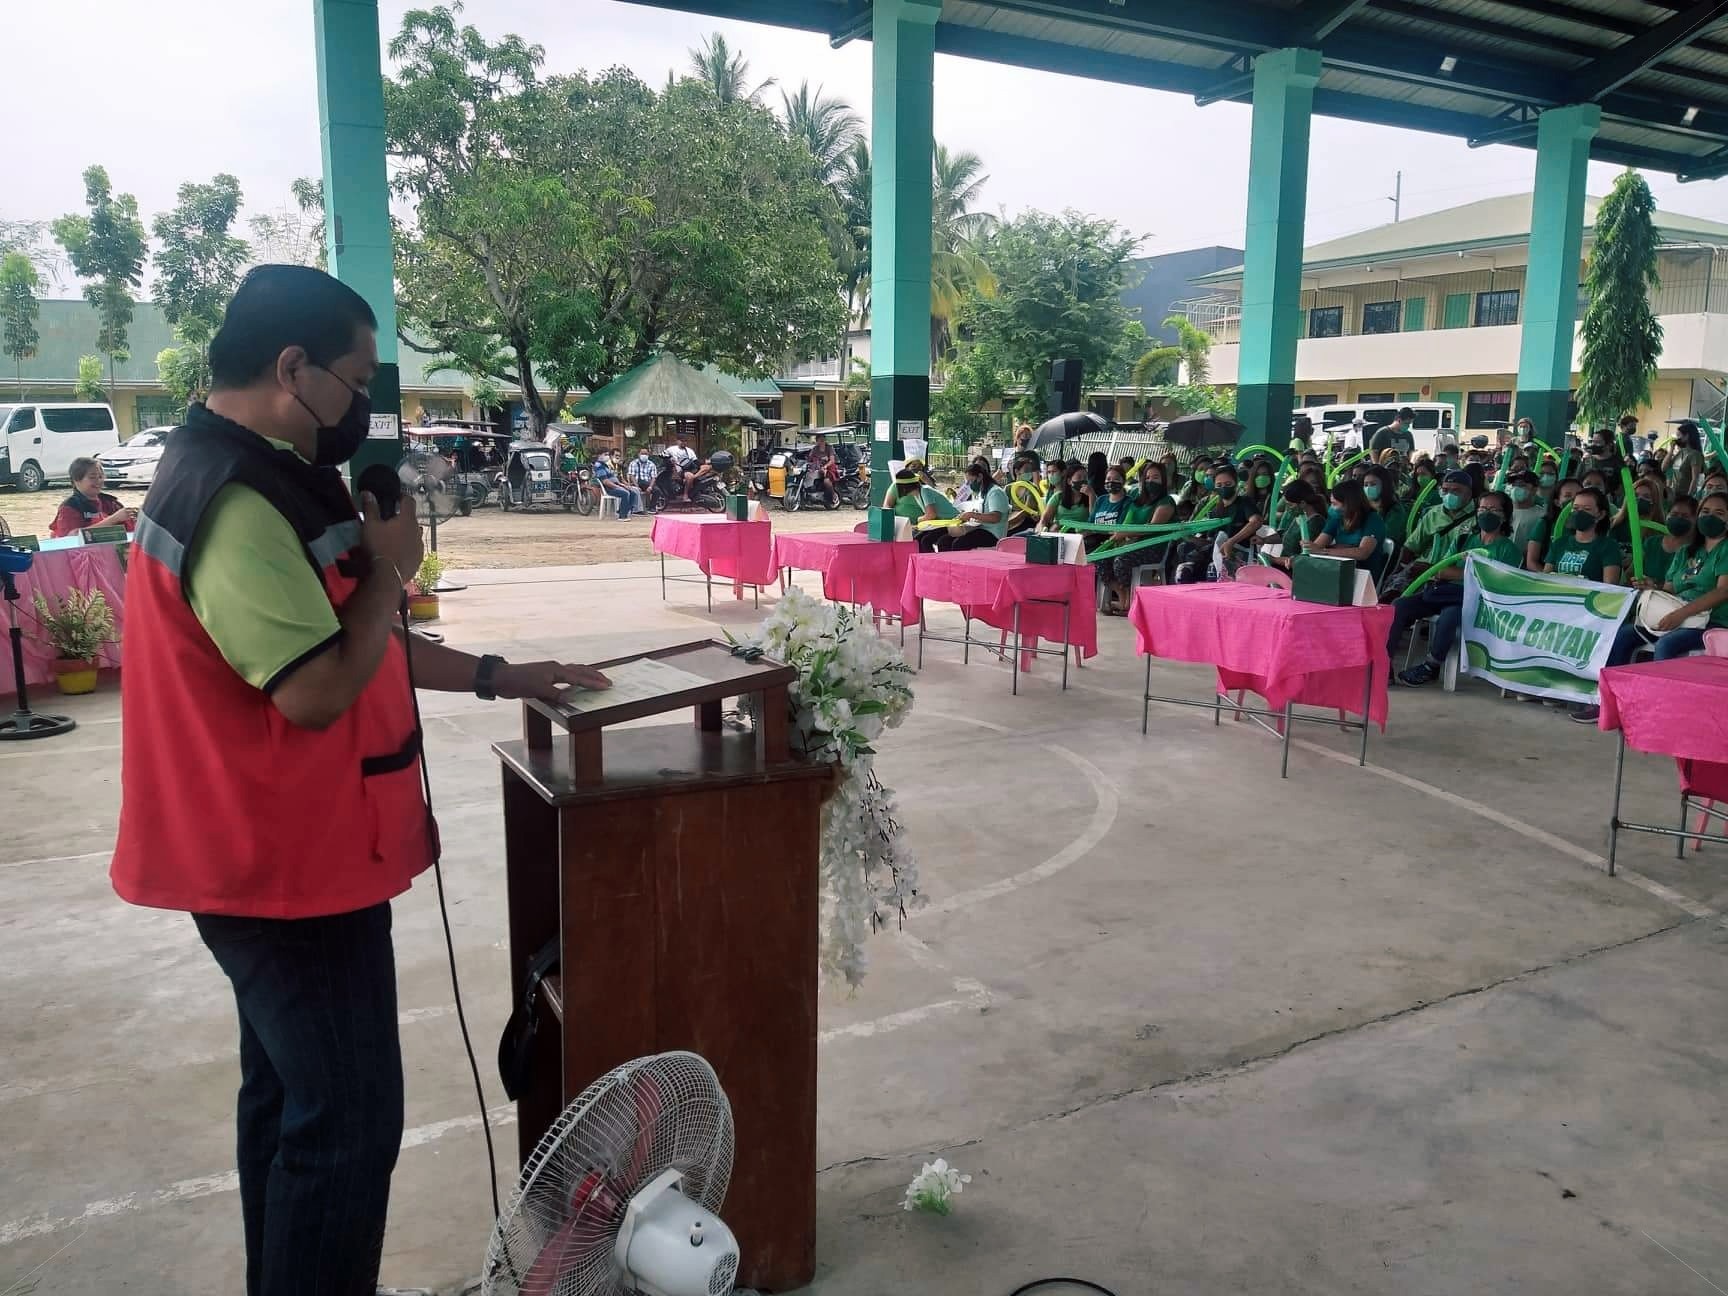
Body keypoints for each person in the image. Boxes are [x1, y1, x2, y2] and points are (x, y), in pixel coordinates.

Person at [108, 265, 611, 1296]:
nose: (363, 406)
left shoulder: (278, 471)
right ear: (291, 367)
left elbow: (353, 636)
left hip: (298, 853)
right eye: (356, 379)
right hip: (282, 871)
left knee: (289, 1108)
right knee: (347, 1125)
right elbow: (316, 688)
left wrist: (498, 674)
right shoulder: (232, 499)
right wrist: (392, 567)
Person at [1572, 491, 1728, 722]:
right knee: (1624, 634)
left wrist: (1681, 614)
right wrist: (1651, 586)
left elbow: (1723, 591)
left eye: (1719, 513)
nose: (1709, 516)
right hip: (1676, 614)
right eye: (1705, 511)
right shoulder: (1686, 551)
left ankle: (1659, 712)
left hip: (1711, 622)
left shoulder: (1725, 550)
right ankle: (1609, 705)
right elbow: (1670, 589)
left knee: (1667, 644)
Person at [1392, 489, 1522, 686]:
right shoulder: (1464, 540)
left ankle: (1431, 666)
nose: (1486, 513)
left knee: (1450, 616)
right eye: (1483, 508)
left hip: (1476, 601)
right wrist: (1474, 573)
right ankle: (1384, 663)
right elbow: (1441, 570)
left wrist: (1463, 573)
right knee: (1399, 606)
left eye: (1494, 510)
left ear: (1505, 516)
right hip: (1444, 592)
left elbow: (1497, 583)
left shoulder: (1508, 550)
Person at [1101, 462, 1176, 613]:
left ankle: (1130, 601)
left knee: (1121, 561)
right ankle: (1123, 598)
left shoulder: (1166, 502)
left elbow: (1152, 528)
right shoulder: (1137, 501)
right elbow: (1127, 523)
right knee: (1101, 560)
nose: (1150, 481)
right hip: (1131, 544)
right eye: (1147, 477)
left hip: (1152, 547)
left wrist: (1126, 534)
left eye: (1155, 477)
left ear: (1163, 480)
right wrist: (1120, 536)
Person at [1543, 486, 1622, 584]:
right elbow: (1545, 579)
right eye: (1575, 508)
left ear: (1600, 515)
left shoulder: (1609, 547)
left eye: (1587, 509)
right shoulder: (1559, 543)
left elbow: (1609, 587)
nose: (1579, 513)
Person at [1305, 478, 1386, 568]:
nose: (1331, 508)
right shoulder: (1337, 518)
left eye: (1334, 504)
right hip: (1337, 568)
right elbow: (1317, 546)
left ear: (1349, 503)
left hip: (1363, 573)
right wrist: (1308, 548)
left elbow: (1363, 553)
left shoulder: (1373, 520)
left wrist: (1325, 551)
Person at [50, 456, 138, 537]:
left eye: (100, 476)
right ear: (76, 480)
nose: (98, 481)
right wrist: (113, 519)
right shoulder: (70, 507)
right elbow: (72, 537)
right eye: (92, 477)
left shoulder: (110, 502)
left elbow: (132, 530)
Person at [933, 460, 1008, 552]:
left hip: (992, 533)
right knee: (944, 541)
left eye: (971, 481)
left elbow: (995, 517)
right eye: (967, 482)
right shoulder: (980, 492)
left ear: (980, 477)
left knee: (959, 544)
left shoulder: (995, 492)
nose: (969, 485)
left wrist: (971, 515)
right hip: (979, 528)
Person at [1267, 480, 1328, 572]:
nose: (1287, 509)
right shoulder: (1299, 517)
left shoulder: (1315, 523)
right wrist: (1264, 540)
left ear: (1302, 503)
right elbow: (1286, 535)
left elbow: (1303, 557)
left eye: (1290, 505)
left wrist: (1273, 559)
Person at [1524, 477, 1581, 571]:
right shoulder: (1545, 524)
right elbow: (1531, 562)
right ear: (1557, 502)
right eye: (1568, 496)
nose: (1573, 500)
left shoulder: (1590, 525)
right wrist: (1549, 579)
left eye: (1578, 495)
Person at [1040, 464, 1094, 536]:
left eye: (1085, 477)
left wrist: (1091, 495)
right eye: (1079, 477)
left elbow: (1093, 520)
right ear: (1069, 481)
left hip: (1081, 535)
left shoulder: (1091, 496)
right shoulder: (1058, 497)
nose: (1083, 480)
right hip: (1059, 533)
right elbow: (1044, 519)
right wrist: (1043, 530)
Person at [591, 450, 638, 519]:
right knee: (625, 493)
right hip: (609, 488)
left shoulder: (605, 465)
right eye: (605, 454)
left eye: (607, 454)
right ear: (599, 455)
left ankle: (621, 511)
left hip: (614, 485)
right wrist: (617, 487)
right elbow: (605, 481)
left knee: (633, 493)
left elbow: (614, 478)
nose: (607, 456)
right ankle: (622, 516)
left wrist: (622, 485)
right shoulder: (599, 466)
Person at [1668, 422, 1705, 500]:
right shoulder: (1680, 452)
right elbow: (1664, 467)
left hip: (1684, 496)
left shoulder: (1695, 455)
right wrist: (1671, 449)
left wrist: (1688, 498)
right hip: (1674, 495)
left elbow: (1695, 479)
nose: (1677, 438)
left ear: (1687, 436)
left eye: (1679, 435)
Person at [665, 433, 699, 499]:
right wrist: (670, 460)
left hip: (692, 468)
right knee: (689, 476)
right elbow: (662, 456)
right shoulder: (671, 449)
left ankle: (691, 482)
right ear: (677, 441)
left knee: (706, 468)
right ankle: (685, 494)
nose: (684, 442)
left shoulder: (690, 451)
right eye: (682, 441)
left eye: (685, 441)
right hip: (681, 470)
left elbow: (695, 461)